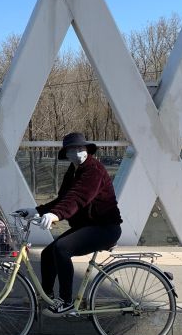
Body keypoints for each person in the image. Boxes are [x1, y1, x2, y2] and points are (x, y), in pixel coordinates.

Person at [35, 132, 123, 316]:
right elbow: (64, 198)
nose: (76, 151)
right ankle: (47, 296)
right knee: (47, 253)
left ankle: (65, 301)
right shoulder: (74, 170)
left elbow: (78, 198)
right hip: (88, 226)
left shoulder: (94, 171)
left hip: (105, 228)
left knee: (61, 249)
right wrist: (38, 210)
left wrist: (56, 215)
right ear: (66, 153)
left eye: (80, 148)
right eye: (72, 149)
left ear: (87, 150)